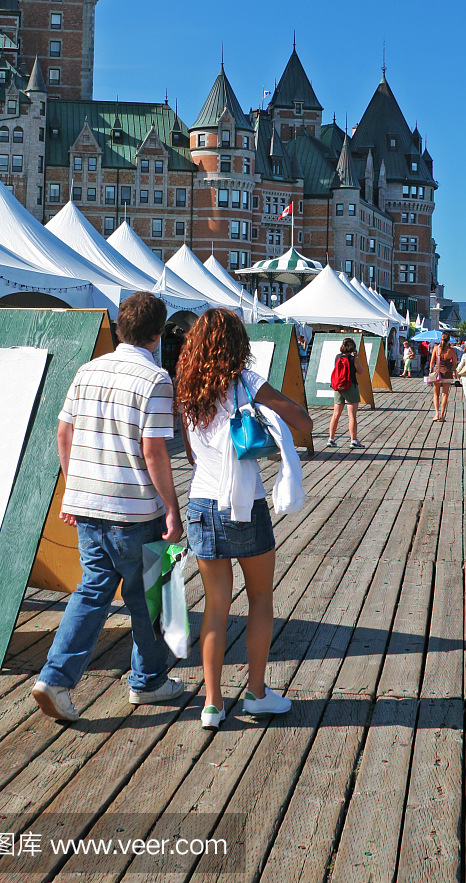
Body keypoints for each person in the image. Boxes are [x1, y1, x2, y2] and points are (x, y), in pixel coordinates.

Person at [32, 293, 184, 723]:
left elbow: (64, 434)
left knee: (93, 591)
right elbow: (153, 451)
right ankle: (148, 681)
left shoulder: (87, 370)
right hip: (136, 511)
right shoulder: (156, 379)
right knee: (153, 596)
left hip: (88, 506)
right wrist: (172, 509)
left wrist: (74, 490)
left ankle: (55, 677)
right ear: (157, 335)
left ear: (120, 329)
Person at [175, 308, 312, 728]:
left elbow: (193, 453)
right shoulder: (247, 383)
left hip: (201, 503)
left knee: (216, 607)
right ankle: (256, 692)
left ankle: (212, 705)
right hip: (246, 505)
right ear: (239, 345)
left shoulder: (187, 389)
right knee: (260, 600)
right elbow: (303, 423)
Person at [327, 337, 363, 449]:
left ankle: (331, 439)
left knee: (336, 414)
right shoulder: (353, 359)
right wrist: (356, 358)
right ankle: (353, 441)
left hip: (338, 387)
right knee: (351, 415)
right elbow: (360, 371)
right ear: (353, 347)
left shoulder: (337, 357)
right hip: (350, 386)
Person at [429, 332, 457, 421]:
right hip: (447, 373)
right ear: (448, 340)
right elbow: (454, 363)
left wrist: (430, 370)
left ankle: (436, 413)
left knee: (435, 394)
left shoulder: (436, 348)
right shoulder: (451, 350)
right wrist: (454, 372)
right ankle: (442, 415)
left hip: (437, 372)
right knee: (445, 394)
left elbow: (432, 361)